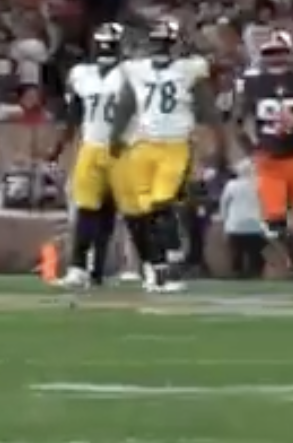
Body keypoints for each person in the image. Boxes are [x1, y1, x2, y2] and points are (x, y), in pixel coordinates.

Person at [117, 16, 208, 292]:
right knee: (145, 211)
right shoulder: (139, 69)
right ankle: (156, 268)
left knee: (161, 204)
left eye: (163, 43)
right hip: (144, 144)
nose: (160, 48)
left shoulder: (185, 69)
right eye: (158, 43)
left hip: (174, 144)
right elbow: (126, 104)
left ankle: (171, 261)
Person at [238, 31, 293, 290]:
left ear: (292, 54)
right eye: (270, 54)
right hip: (270, 158)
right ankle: (283, 262)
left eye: (280, 53)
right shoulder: (251, 82)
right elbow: (242, 120)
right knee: (273, 221)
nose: (276, 60)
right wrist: (250, 147)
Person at [56, 24, 129, 290]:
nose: (105, 49)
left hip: (119, 147)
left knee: (108, 212)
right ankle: (80, 268)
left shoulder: (128, 74)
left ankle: (97, 269)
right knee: (88, 210)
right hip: (93, 145)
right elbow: (74, 114)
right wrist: (59, 146)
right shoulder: (82, 74)